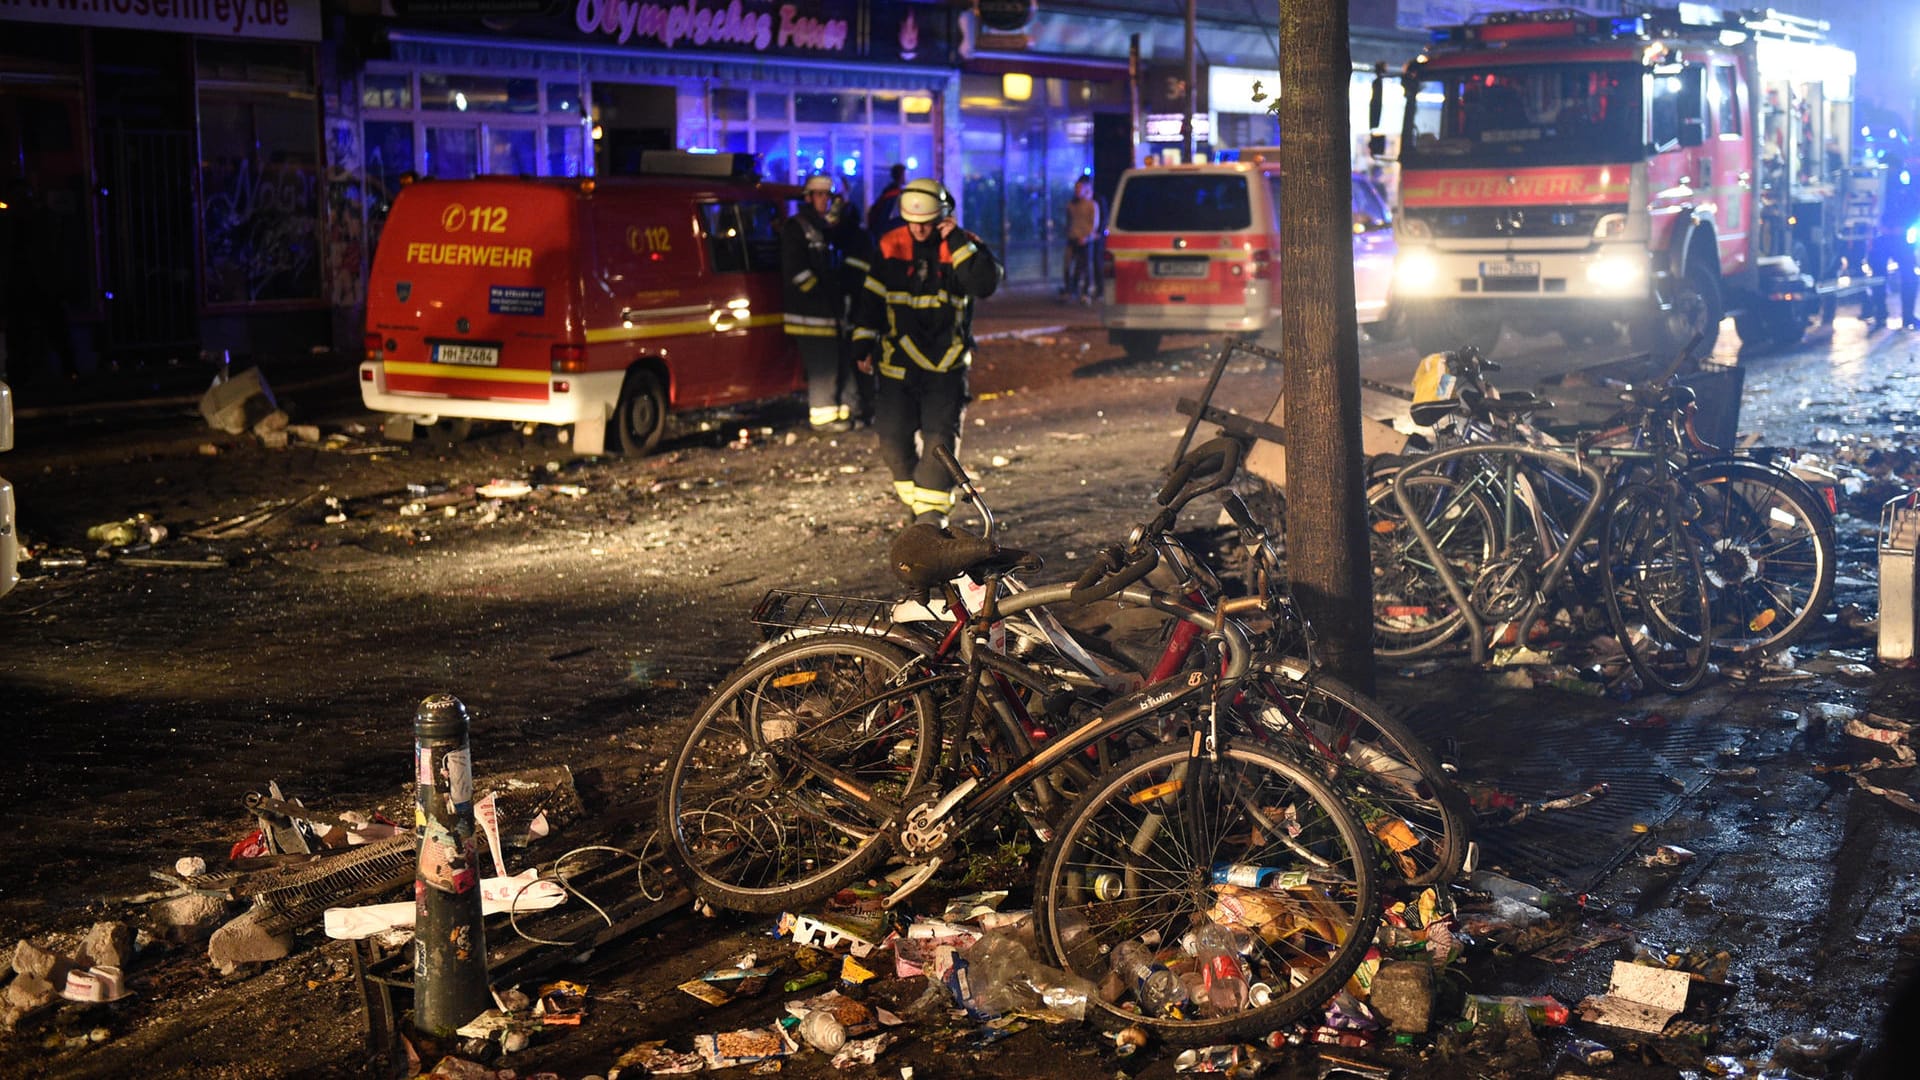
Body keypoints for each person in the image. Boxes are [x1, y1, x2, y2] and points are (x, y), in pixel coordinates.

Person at [851, 177, 1003, 525]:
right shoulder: (890, 245)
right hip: (897, 364)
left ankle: (930, 518)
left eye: (927, 223)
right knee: (891, 437)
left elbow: (984, 284)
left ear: (943, 216)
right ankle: (919, 506)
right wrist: (862, 342)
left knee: (939, 440)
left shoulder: (961, 248)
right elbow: (871, 299)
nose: (919, 231)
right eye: (913, 223)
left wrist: (958, 240)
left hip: (945, 366)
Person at [780, 173, 860, 432]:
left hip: (828, 312)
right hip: (809, 312)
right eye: (821, 195)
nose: (826, 200)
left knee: (837, 360)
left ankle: (844, 411)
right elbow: (796, 270)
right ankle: (823, 418)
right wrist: (820, 295)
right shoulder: (797, 227)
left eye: (829, 195)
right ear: (809, 197)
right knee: (823, 364)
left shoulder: (824, 227)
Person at [1868, 152, 1920, 330]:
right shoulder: (1882, 187)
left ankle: (1893, 316)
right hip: (1888, 237)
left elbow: (1914, 208)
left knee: (1896, 277)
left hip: (1894, 237)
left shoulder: (1900, 187)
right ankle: (1891, 316)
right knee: (1883, 277)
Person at [1062, 176, 1102, 304]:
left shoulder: (1092, 205)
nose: (1077, 190)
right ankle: (1069, 290)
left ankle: (1085, 292)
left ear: (1085, 189)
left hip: (1086, 240)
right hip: (1072, 238)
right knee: (1067, 265)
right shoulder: (1071, 205)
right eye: (1076, 188)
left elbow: (1094, 224)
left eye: (1080, 188)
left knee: (1084, 266)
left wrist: (1087, 237)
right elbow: (1068, 221)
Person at [866, 164, 908, 241]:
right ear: (901, 176)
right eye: (906, 174)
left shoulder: (888, 193)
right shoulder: (894, 196)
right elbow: (888, 219)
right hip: (891, 236)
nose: (907, 177)